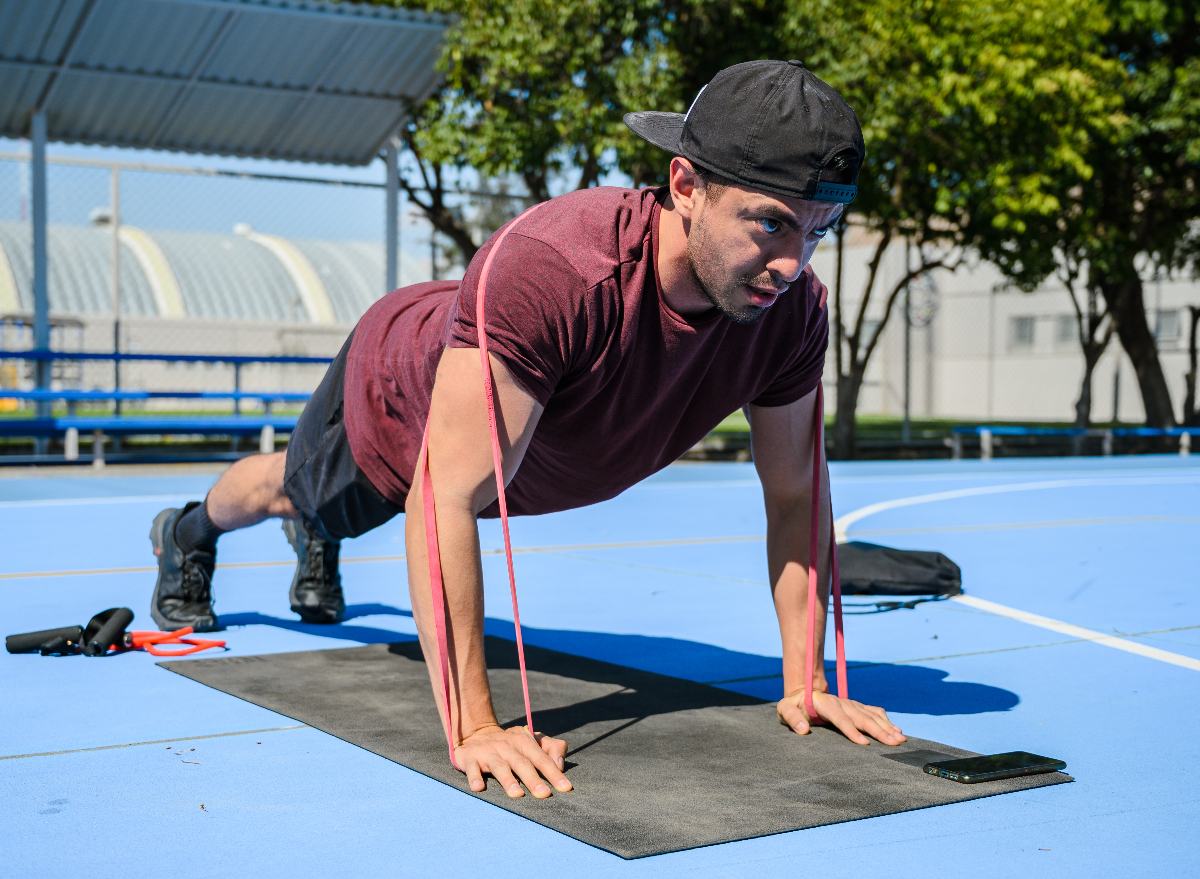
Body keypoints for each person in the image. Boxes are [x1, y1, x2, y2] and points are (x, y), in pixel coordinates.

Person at [148, 59, 907, 799]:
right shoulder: (558, 269)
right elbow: (444, 496)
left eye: (818, 230)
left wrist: (806, 679)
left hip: (504, 419)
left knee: (372, 502)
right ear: (686, 185)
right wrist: (475, 726)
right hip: (396, 392)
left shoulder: (791, 312)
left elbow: (797, 493)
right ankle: (188, 533)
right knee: (297, 491)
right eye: (770, 223)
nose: (790, 261)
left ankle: (314, 537)